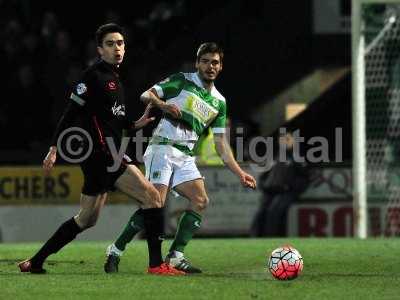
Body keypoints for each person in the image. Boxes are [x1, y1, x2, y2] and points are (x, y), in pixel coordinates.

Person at [18, 23, 183, 275]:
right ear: (99, 49)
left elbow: (113, 120)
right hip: (104, 154)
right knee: (153, 197)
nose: (117, 48)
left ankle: (35, 261)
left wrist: (134, 124)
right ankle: (156, 265)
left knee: (86, 219)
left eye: (120, 43)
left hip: (102, 155)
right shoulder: (93, 76)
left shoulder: (115, 79)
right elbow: (70, 113)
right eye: (110, 44)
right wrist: (53, 147)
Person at [104, 42, 257, 273]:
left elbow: (220, 144)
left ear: (221, 66)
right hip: (162, 148)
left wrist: (240, 173)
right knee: (155, 203)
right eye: (205, 61)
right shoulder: (182, 80)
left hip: (185, 156)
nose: (209, 66)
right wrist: (163, 105)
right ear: (197, 63)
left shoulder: (219, 102)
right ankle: (116, 250)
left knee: (200, 200)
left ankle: (176, 256)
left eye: (214, 62)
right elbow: (146, 95)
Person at [250, 131, 310, 237]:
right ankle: (256, 237)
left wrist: (290, 187)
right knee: (261, 212)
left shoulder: (297, 157)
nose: (284, 141)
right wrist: (264, 186)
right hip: (271, 191)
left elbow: (305, 178)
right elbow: (264, 175)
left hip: (287, 192)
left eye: (287, 139)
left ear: (294, 141)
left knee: (274, 211)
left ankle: (271, 237)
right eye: (282, 139)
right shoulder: (274, 156)